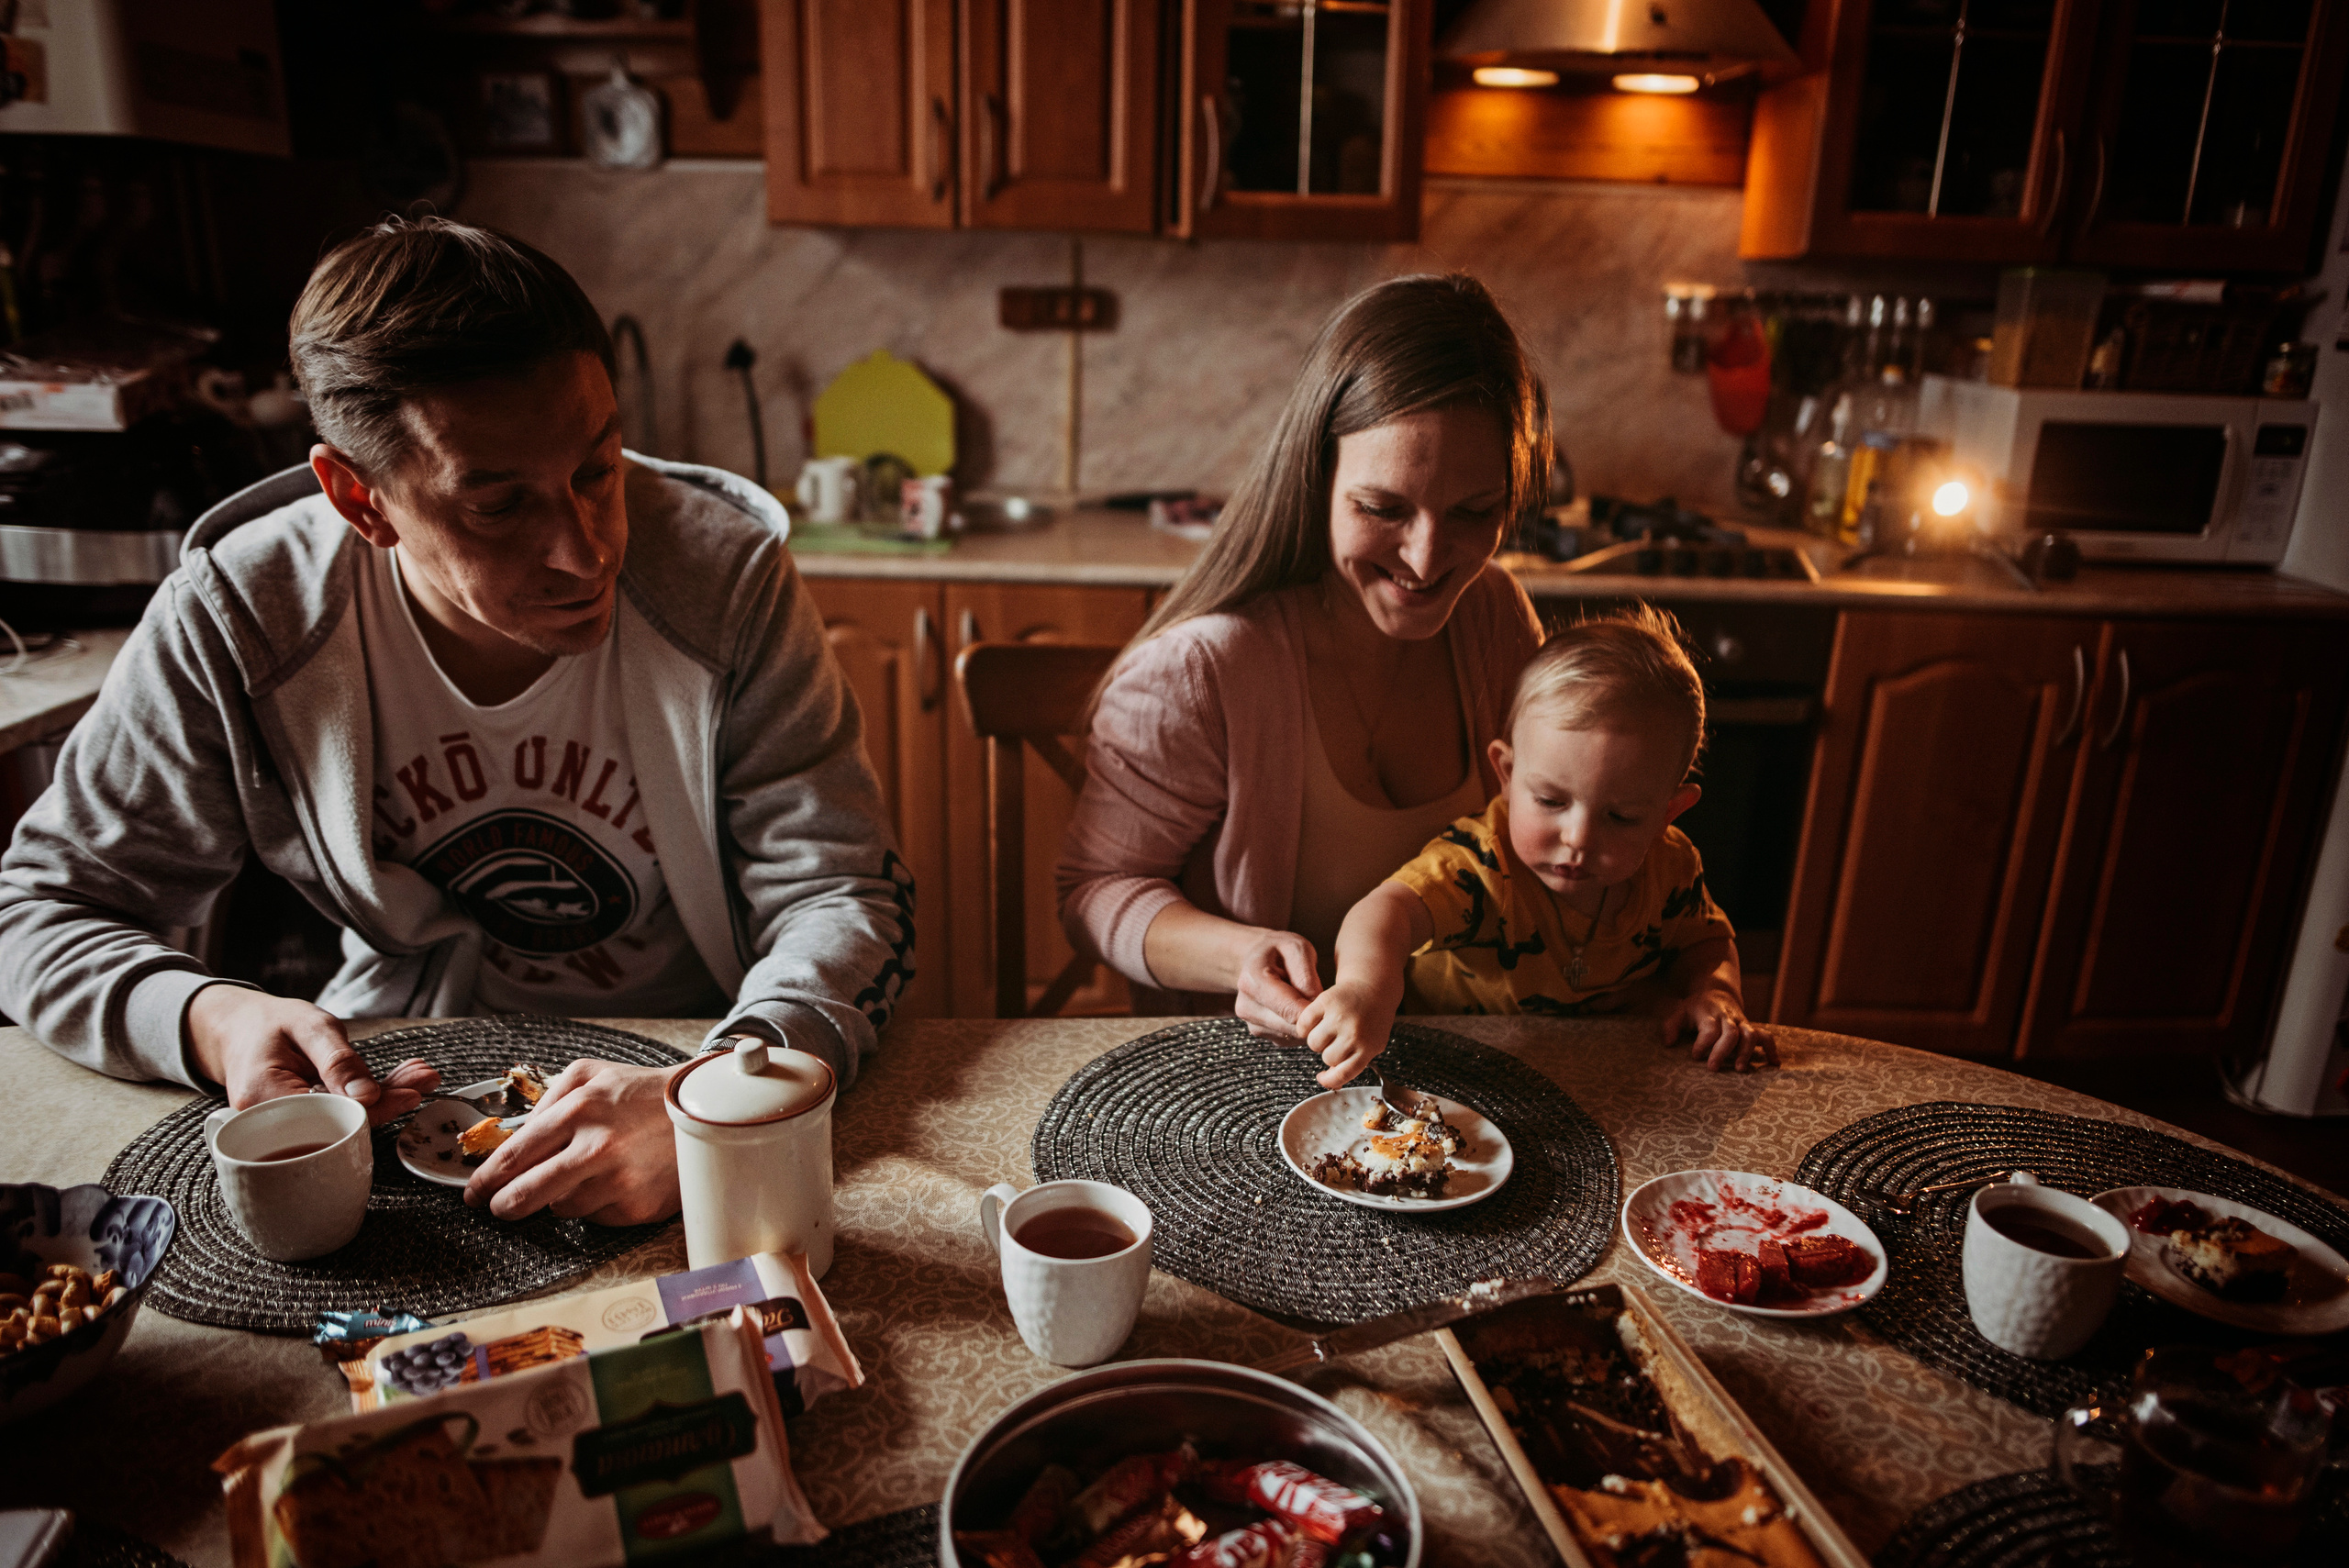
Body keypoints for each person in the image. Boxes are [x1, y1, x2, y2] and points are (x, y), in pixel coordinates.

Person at [0, 217, 912, 1224]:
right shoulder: (243, 614)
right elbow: (39, 908)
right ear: (360, 499)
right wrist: (211, 1018)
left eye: (598, 470)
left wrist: (717, 1100)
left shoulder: (723, 576)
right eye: (498, 506)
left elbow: (840, 892)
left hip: (702, 1054)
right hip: (408, 1073)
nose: (585, 549)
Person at [1058, 273, 1547, 1079]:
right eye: (1384, 508)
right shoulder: (1205, 671)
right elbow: (1093, 893)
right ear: (1313, 476)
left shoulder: (1494, 616)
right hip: (1251, 1085)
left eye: (1472, 511)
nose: (1428, 560)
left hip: (1466, 1076)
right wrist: (1239, 956)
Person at [1297, 606, 1777, 1076]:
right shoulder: (1482, 861)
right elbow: (1386, 912)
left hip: (1595, 1078)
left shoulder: (1671, 866)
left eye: (1622, 817)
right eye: (1550, 801)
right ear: (1506, 774)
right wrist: (1365, 988)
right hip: (1449, 1072)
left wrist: (1717, 993)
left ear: (1669, 813)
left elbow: (1707, 942)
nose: (1579, 838)